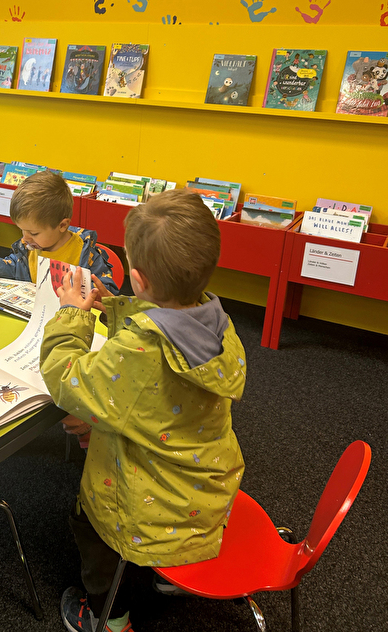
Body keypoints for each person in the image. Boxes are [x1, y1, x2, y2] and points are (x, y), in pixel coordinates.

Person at [40, 190, 246, 632]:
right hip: (203, 498)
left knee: (89, 522)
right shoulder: (216, 321)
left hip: (149, 510)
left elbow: (65, 379)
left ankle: (109, 619)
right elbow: (162, 318)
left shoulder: (140, 352)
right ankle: (168, 572)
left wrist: (70, 317)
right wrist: (113, 303)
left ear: (137, 276)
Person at [0, 170, 120, 440]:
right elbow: (13, 267)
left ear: (62, 225)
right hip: (29, 328)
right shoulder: (31, 247)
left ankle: (85, 423)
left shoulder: (86, 253)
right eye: (22, 230)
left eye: (33, 232)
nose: (25, 238)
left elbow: (109, 298)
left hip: (76, 334)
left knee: (71, 381)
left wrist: (96, 298)